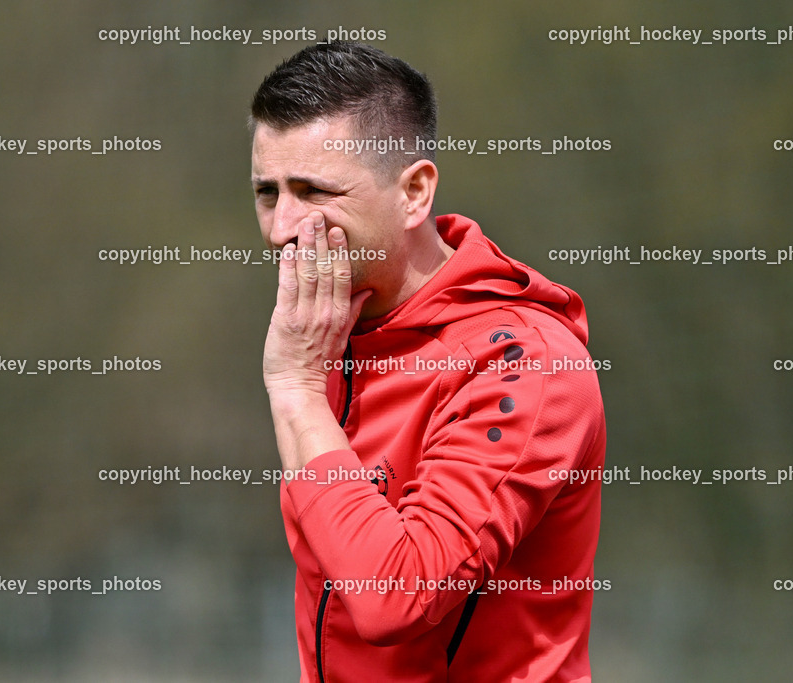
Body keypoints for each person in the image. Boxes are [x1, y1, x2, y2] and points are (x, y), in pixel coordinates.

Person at [250, 41, 606, 682]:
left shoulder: (526, 364)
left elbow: (395, 598)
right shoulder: (328, 339)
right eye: (268, 193)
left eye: (312, 190)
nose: (282, 228)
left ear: (414, 192)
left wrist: (298, 393)